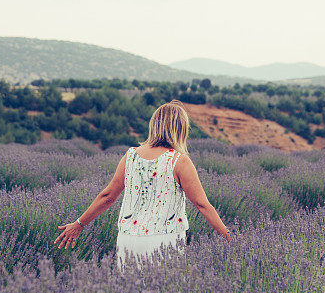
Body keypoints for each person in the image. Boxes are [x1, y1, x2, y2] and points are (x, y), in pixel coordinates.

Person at [54, 99, 231, 268]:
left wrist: (79, 224)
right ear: (181, 129)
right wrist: (228, 237)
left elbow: (107, 196)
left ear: (153, 125)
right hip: (164, 241)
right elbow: (201, 204)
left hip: (128, 240)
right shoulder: (179, 161)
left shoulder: (131, 156)